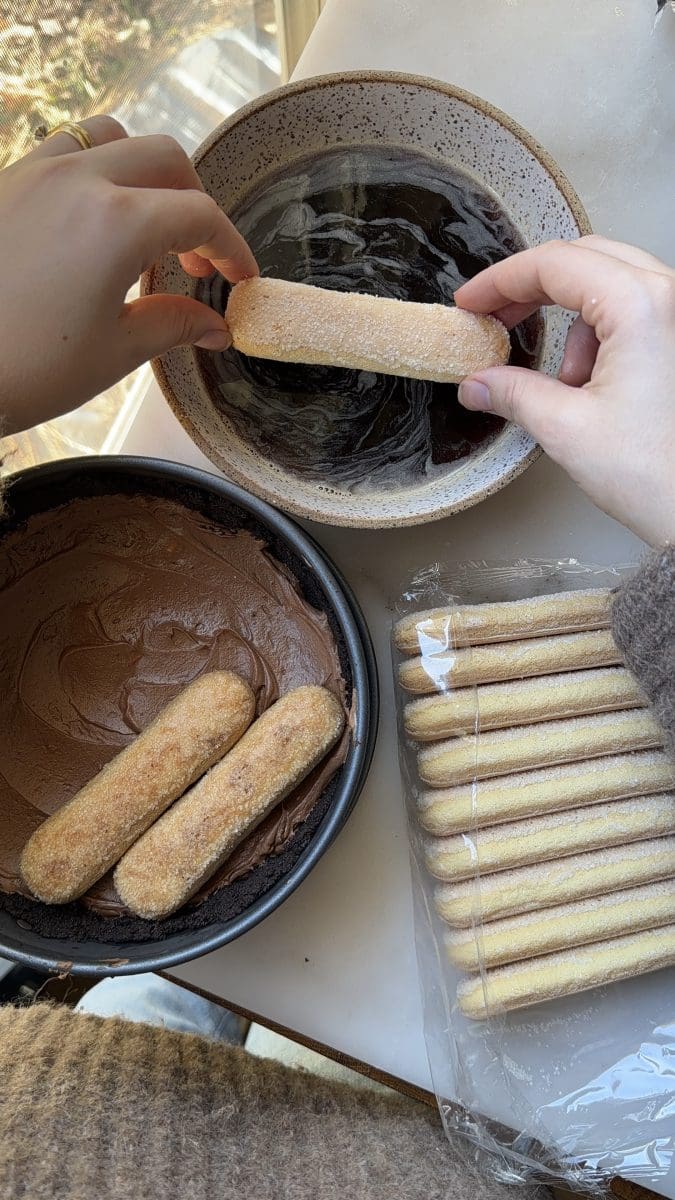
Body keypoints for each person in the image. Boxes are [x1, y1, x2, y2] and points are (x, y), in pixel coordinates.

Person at [0, 118, 672, 1199]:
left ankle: (170, 1005)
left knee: (151, 1009)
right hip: (162, 1112)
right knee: (151, 1006)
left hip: (76, 1075)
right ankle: (172, 1005)